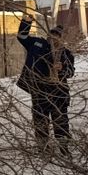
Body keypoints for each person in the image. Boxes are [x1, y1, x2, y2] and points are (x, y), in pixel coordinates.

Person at [16, 15, 75, 155]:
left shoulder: (66, 53)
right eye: (51, 34)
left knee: (60, 121)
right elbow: (22, 37)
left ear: (61, 38)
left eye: (57, 36)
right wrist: (26, 23)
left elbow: (71, 72)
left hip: (58, 92)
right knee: (40, 121)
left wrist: (62, 68)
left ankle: (64, 147)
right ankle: (43, 148)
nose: (53, 38)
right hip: (39, 90)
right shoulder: (37, 44)